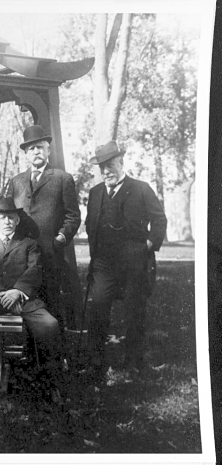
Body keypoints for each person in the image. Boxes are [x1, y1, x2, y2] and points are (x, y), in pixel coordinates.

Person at [0, 196, 62, 403]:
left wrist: (18, 291)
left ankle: (50, 383)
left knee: (49, 325)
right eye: (2, 217)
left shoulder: (29, 244)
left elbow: (35, 270)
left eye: (11, 217)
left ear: (18, 220)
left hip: (24, 298)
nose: (7, 221)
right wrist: (1, 293)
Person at [85, 141, 167, 378]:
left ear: (121, 162)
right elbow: (92, 226)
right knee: (98, 307)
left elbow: (159, 220)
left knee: (134, 312)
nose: (106, 171)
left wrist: (147, 247)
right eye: (102, 167)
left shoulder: (141, 188)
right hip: (104, 264)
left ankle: (134, 362)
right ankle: (95, 363)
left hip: (134, 263)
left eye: (110, 165)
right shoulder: (96, 193)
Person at [7, 124, 80, 326]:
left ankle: (56, 356)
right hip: (23, 257)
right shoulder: (16, 182)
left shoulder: (62, 178)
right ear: (25, 154)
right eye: (31, 149)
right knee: (28, 305)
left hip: (50, 255)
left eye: (40, 147)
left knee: (52, 305)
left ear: (48, 150)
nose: (36, 152)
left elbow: (73, 217)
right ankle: (31, 356)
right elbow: (8, 215)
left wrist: (60, 239)